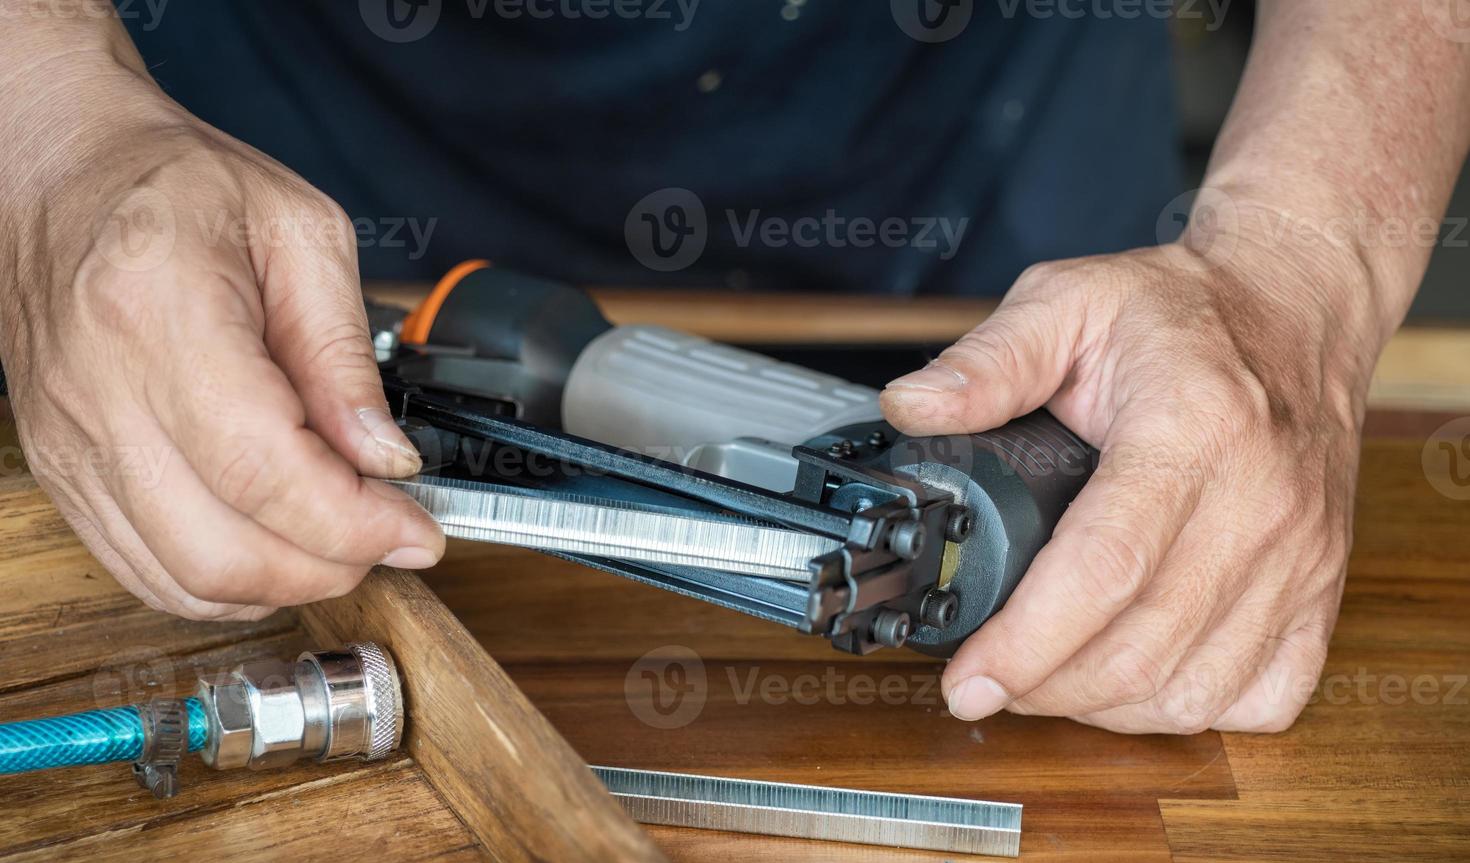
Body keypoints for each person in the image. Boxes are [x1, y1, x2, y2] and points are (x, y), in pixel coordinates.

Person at [1, 2, 1466, 735]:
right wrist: (54, 133)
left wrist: (1292, 279)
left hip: (977, 136)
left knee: (1108, 520)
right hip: (283, 128)